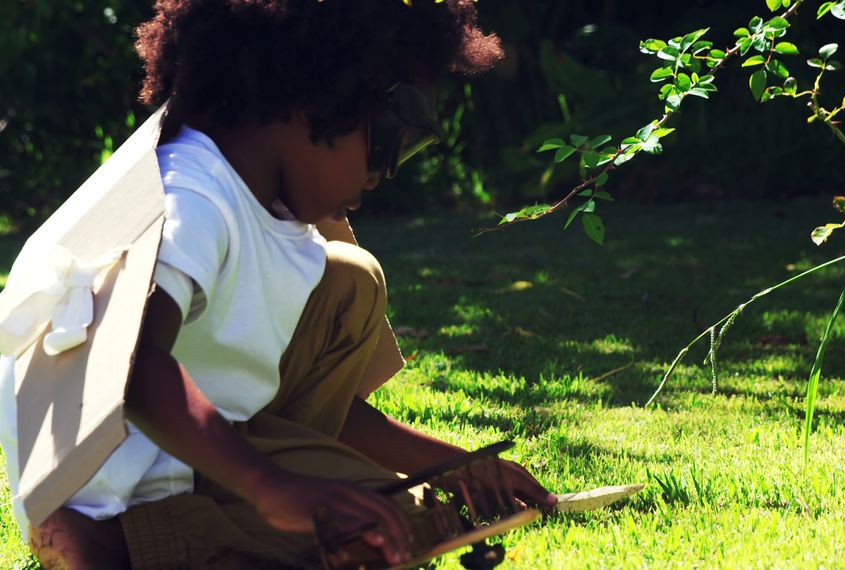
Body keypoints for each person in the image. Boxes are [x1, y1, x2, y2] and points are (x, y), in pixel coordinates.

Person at [8, 1, 556, 568]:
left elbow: (324, 411)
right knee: (393, 528)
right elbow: (132, 364)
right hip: (130, 492)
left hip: (217, 456)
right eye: (394, 134)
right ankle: (100, 543)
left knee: (352, 284)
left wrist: (452, 466)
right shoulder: (191, 198)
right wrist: (271, 486)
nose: (386, 170)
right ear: (317, 96)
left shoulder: (271, 209)